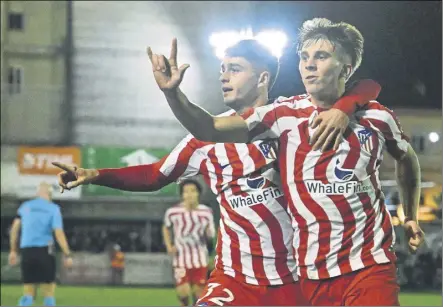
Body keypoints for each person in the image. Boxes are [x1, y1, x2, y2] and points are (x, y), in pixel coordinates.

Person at [53, 39, 378, 305]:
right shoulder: (202, 142)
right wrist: (96, 174)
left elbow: (368, 85)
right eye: (222, 69)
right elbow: (155, 175)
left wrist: (343, 108)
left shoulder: (293, 120)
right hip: (234, 281)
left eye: (234, 69)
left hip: (297, 282)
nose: (223, 76)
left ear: (262, 78)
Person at [147, 18, 424, 305]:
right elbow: (210, 129)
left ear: (347, 67)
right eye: (304, 57)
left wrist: (411, 216)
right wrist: (173, 94)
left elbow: (407, 158)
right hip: (310, 274)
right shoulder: (282, 116)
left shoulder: (377, 118)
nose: (309, 65)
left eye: (321, 56)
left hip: (370, 264)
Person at [8, 182, 73, 306]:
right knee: (48, 295)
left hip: (27, 251)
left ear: (37, 193)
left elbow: (14, 229)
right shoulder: (53, 209)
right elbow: (58, 233)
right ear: (50, 194)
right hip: (45, 251)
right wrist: (67, 254)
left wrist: (13, 250)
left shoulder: (25, 207)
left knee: (28, 295)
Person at [162, 179, 215, 306]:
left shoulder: (206, 212)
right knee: (183, 291)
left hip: (200, 258)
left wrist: (208, 234)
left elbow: (211, 234)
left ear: (198, 194)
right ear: (182, 195)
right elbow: (166, 228)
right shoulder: (173, 212)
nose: (189, 194)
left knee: (198, 294)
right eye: (186, 191)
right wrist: (169, 245)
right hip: (180, 259)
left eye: (193, 191)